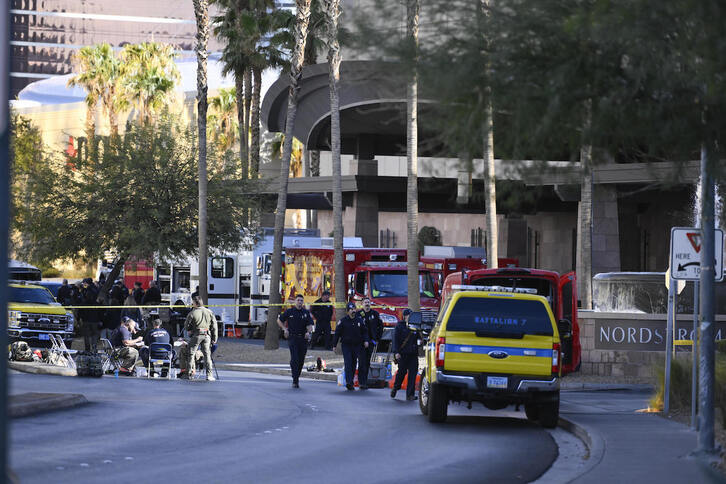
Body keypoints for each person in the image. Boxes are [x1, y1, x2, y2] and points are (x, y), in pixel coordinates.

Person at [277, 294, 314, 388]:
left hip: (303, 339)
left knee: (301, 360)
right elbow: (279, 320)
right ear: (295, 301)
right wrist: (284, 329)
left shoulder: (305, 312)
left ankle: (296, 375)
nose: (300, 302)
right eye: (298, 300)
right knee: (295, 359)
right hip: (293, 338)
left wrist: (308, 333)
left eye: (301, 300)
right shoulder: (289, 311)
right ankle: (295, 380)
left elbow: (310, 325)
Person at [333, 302, 369, 391]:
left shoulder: (359, 320)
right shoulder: (343, 321)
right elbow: (337, 333)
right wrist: (334, 345)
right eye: (351, 309)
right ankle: (349, 382)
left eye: (354, 309)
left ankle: (351, 381)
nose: (353, 311)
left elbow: (364, 331)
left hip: (356, 345)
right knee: (348, 362)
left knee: (353, 363)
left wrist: (366, 340)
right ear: (347, 311)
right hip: (346, 345)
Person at [180, 295, 217, 381]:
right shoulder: (209, 312)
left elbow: (186, 326)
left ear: (195, 303)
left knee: (191, 353)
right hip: (207, 335)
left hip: (197, 334)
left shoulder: (192, 313)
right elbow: (214, 326)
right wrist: (215, 337)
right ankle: (209, 375)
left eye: (193, 302)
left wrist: (190, 330)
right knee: (207, 355)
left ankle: (189, 373)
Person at [391, 309, 419, 401]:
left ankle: (410, 394)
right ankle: (396, 387)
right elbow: (395, 340)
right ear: (405, 316)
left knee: (413, 373)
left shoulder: (415, 327)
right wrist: (396, 352)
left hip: (413, 354)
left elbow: (419, 338)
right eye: (409, 316)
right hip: (403, 354)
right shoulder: (400, 326)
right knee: (402, 372)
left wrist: (421, 341)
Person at [359, 297, 383, 379]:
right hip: (361, 342)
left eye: (368, 302)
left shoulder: (375, 314)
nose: (367, 304)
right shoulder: (359, 314)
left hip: (371, 341)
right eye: (365, 302)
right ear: (362, 304)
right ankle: (361, 380)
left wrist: (377, 338)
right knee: (361, 361)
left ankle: (364, 380)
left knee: (367, 361)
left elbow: (381, 326)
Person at [78, 278, 102, 352]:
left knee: (87, 335)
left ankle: (88, 349)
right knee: (94, 334)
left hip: (87, 317)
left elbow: (83, 304)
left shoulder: (86, 292)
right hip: (95, 317)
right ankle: (94, 348)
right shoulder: (96, 290)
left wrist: (80, 316)